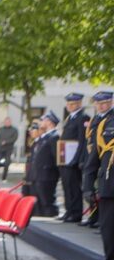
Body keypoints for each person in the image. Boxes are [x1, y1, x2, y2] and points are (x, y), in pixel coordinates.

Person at [83, 90, 113, 260]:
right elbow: (94, 159)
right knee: (108, 233)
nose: (102, 106)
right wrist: (88, 187)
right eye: (99, 103)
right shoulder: (103, 124)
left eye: (106, 102)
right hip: (109, 187)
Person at [58, 92, 89, 222]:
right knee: (66, 186)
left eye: (73, 104)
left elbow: (82, 141)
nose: (70, 106)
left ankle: (76, 213)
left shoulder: (83, 118)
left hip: (74, 159)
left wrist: (77, 159)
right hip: (65, 158)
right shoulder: (69, 118)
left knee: (74, 187)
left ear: (80, 104)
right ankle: (69, 210)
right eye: (69, 104)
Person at [32, 111, 61, 217]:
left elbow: (55, 157)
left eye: (43, 120)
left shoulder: (54, 137)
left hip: (47, 174)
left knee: (47, 200)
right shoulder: (45, 137)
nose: (41, 122)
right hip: (40, 173)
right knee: (41, 200)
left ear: (49, 122)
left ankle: (50, 217)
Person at [0, 117, 18, 181]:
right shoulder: (0, 129)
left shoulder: (14, 130)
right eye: (6, 122)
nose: (7, 123)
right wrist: (1, 141)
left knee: (7, 163)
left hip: (8, 149)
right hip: (0, 148)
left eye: (8, 122)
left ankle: (4, 177)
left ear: (10, 122)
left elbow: (14, 138)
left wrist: (6, 142)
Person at [22, 121, 40, 197]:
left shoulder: (40, 142)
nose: (30, 132)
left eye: (33, 130)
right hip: (29, 174)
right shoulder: (33, 142)